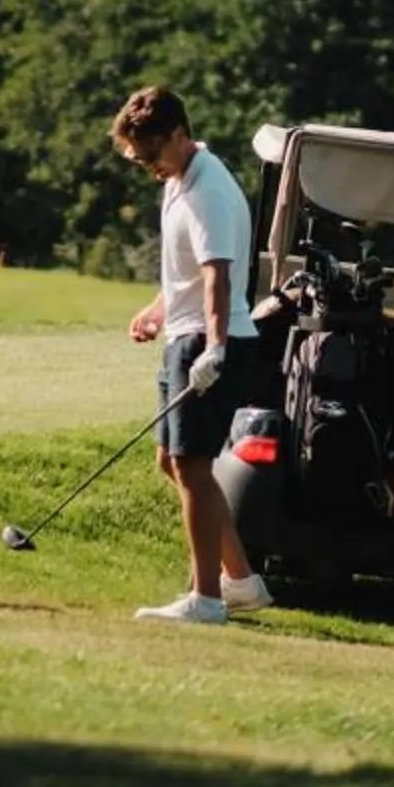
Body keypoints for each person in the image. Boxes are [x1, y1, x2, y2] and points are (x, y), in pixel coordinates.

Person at [110, 84, 270, 624]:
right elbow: (183, 270)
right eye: (139, 158)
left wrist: (216, 347)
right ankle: (241, 582)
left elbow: (217, 278)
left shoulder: (209, 191)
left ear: (179, 135)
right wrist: (158, 309)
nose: (147, 166)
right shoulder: (178, 178)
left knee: (192, 464)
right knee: (172, 461)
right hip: (186, 333)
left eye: (152, 153)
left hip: (209, 341)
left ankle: (206, 598)